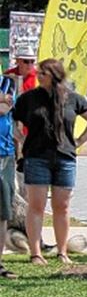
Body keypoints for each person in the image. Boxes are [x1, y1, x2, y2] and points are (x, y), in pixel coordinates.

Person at [11, 58, 87, 265]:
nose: (37, 76)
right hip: (36, 157)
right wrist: (21, 138)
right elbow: (14, 121)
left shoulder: (73, 99)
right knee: (36, 206)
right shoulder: (28, 99)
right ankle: (36, 253)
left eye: (42, 73)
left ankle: (62, 251)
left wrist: (78, 141)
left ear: (54, 75)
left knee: (62, 205)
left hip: (65, 157)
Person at [0, 76, 17, 278]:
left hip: (4, 155)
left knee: (2, 212)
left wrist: (4, 100)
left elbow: (5, 109)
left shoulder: (7, 82)